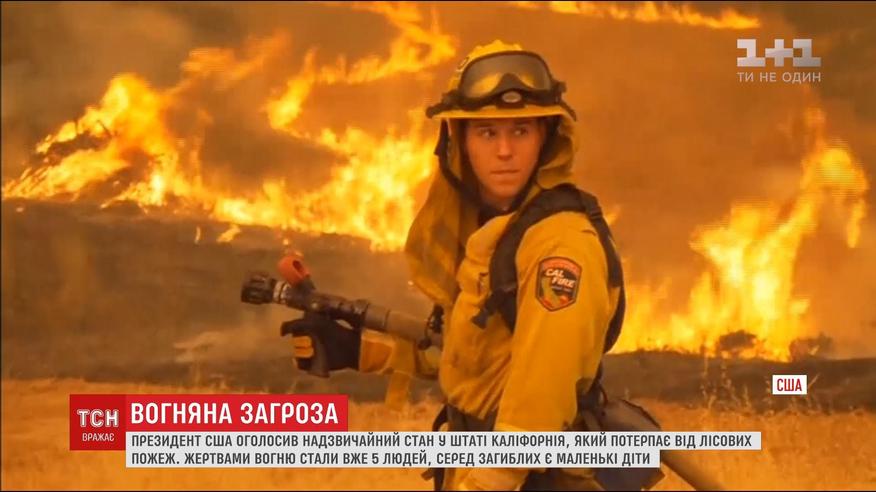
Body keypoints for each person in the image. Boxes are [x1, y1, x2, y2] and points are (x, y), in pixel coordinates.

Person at [287, 40, 656, 491]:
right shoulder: (498, 232)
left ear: (545, 138)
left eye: (520, 131)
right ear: (459, 141)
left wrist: (489, 481)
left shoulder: (559, 246)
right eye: (487, 133)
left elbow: (542, 390)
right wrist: (359, 350)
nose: (504, 151)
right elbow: (476, 357)